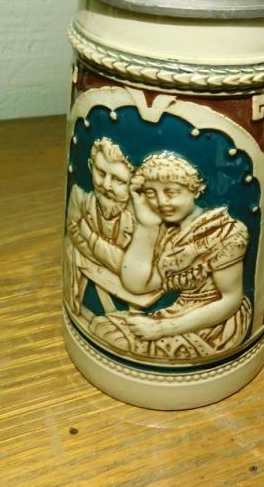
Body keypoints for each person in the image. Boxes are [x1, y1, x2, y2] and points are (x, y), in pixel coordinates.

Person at [90, 152, 252, 359]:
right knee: (102, 328)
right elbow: (138, 285)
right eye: (151, 193)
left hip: (215, 325)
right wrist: (147, 227)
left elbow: (230, 300)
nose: (161, 202)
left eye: (171, 192)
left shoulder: (224, 232)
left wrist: (162, 328)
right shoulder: (170, 232)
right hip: (178, 314)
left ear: (195, 190)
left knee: (116, 339)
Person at [64, 137, 135, 317]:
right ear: (90, 166)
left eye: (119, 180)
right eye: (101, 173)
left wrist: (90, 237)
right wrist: (110, 258)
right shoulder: (80, 196)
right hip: (92, 273)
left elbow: (131, 269)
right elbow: (73, 232)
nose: (106, 185)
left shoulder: (139, 220)